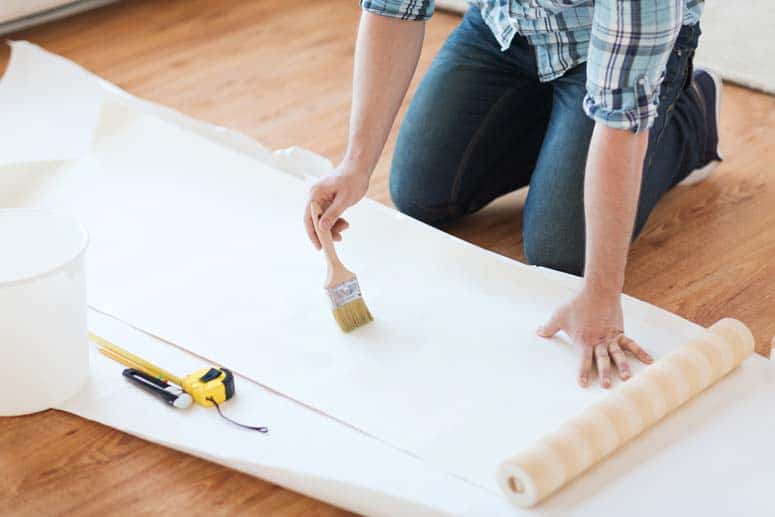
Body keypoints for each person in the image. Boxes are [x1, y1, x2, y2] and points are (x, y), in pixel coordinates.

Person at [303, 0, 722, 388]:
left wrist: (602, 293)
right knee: (420, 193)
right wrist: (355, 165)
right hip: (506, 26)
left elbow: (619, 116)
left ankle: (691, 117)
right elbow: (394, 7)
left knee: (561, 253)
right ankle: (563, 126)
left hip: (609, 51)